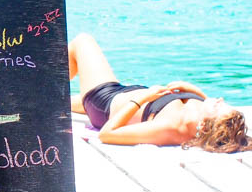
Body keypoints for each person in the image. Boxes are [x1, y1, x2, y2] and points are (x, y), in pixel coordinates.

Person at [68, 32, 249, 151]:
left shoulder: (171, 128)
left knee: (82, 41)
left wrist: (141, 99)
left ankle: (44, 85)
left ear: (207, 124)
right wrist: (193, 92)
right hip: (122, 94)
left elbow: (107, 134)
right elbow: (207, 112)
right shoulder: (198, 119)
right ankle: (46, 97)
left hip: (103, 100)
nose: (220, 100)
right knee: (61, 103)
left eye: (219, 107)